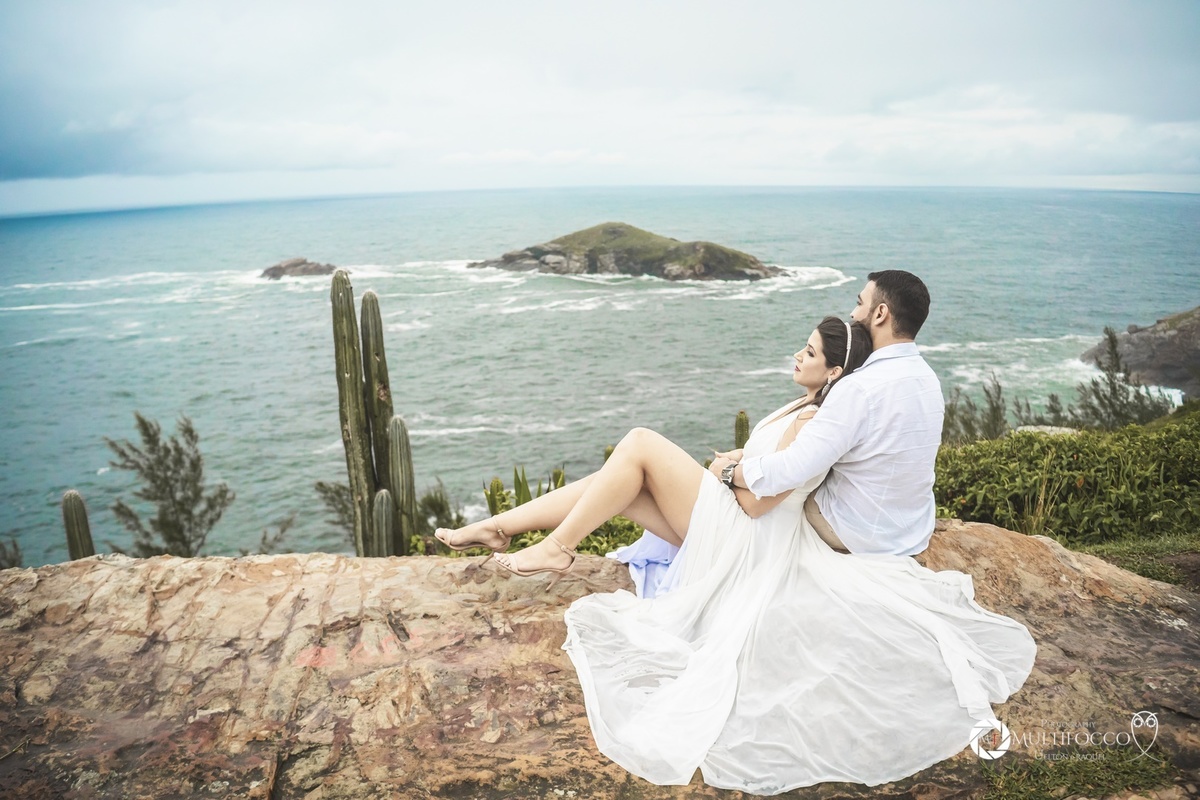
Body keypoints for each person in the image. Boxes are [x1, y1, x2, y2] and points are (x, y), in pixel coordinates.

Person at [436, 283, 1037, 792]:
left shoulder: (827, 410)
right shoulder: (880, 387)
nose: (799, 352)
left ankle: (556, 546)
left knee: (640, 443)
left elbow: (760, 499)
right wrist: (738, 464)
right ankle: (502, 527)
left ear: (859, 338)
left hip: (744, 532)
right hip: (765, 524)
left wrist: (728, 470)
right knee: (621, 484)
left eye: (812, 348)